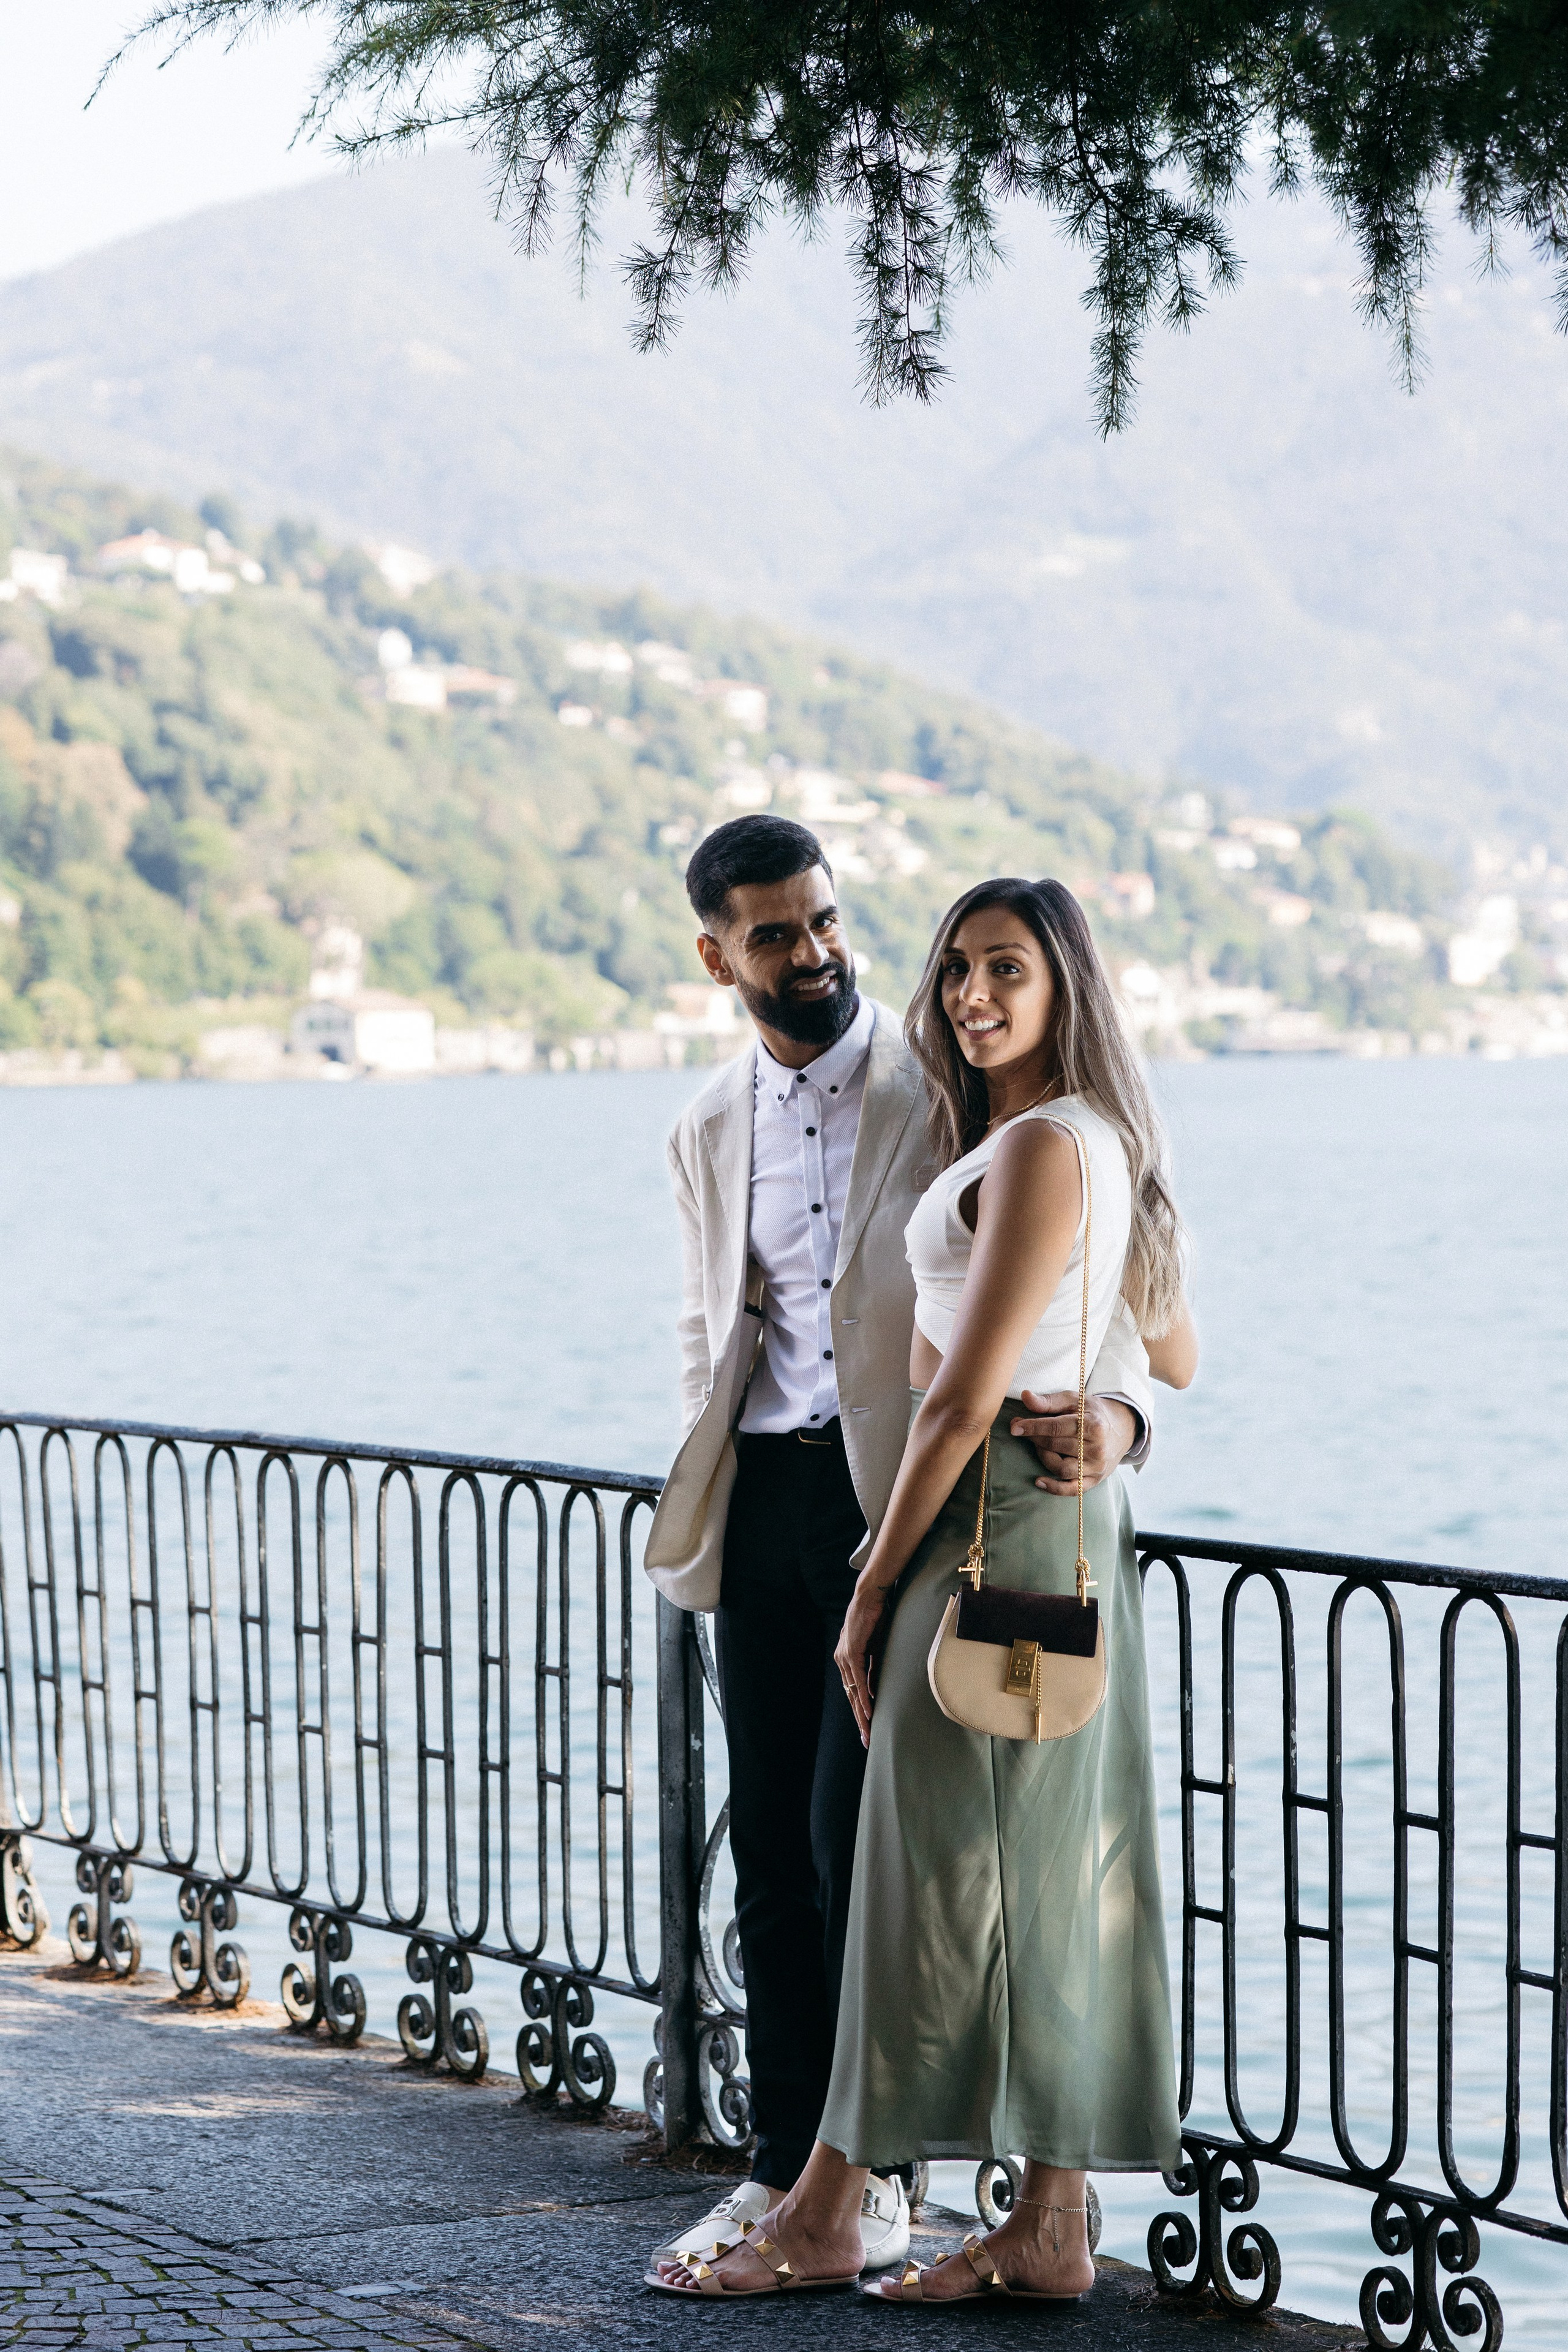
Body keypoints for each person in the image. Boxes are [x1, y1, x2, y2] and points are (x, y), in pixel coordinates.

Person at [650, 872, 1195, 2304]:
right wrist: (1111, 1410)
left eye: (1004, 969)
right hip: (856, 1503)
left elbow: (1014, 1381)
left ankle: (843, 2200)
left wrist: (876, 1578)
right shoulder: (1009, 1125)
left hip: (963, 1521)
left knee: (907, 1872)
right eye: (958, 968)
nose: (970, 994)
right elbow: (1146, 1329)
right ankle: (1028, 2219)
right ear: (720, 955)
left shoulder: (1006, 1130)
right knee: (941, 1863)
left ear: (1065, 981)